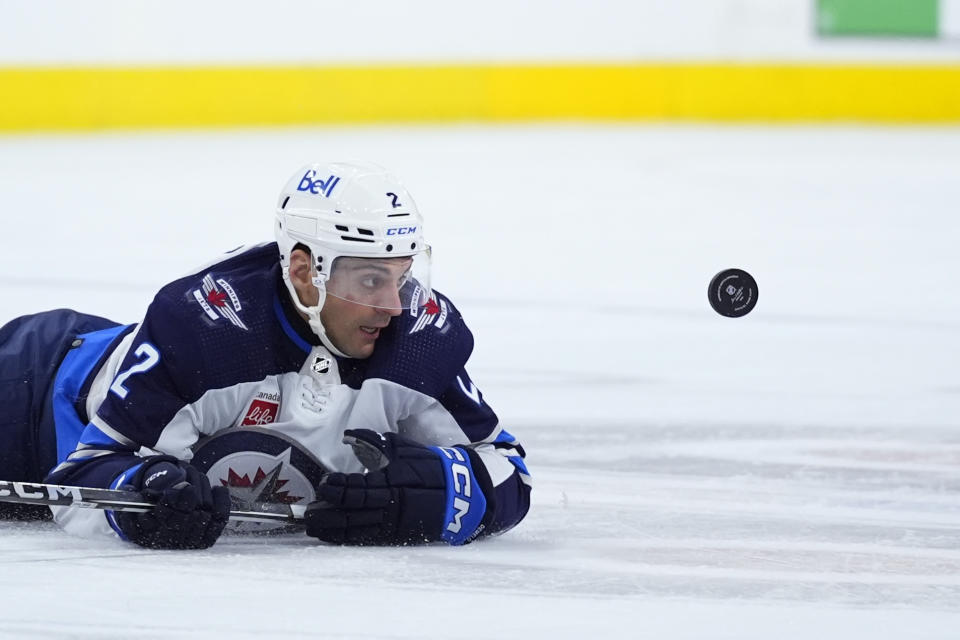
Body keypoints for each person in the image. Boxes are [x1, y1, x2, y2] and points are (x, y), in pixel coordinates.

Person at [0, 162, 531, 549]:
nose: (394, 305)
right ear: (304, 271)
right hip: (32, 390)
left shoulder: (419, 341)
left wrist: (459, 497)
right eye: (370, 279)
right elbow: (82, 470)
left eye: (402, 275)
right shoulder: (206, 333)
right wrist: (138, 497)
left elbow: (509, 470)